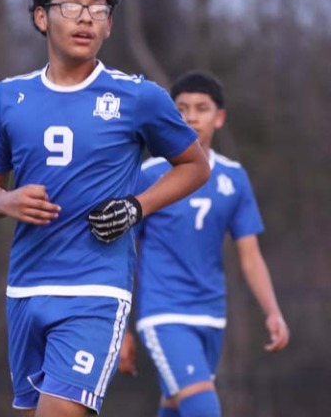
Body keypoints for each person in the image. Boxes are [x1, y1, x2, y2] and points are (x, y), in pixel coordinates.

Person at [0, 0, 210, 417]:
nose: (85, 18)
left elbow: (195, 166)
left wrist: (137, 207)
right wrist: (6, 201)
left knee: (60, 411)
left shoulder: (137, 97)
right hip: (26, 288)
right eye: (72, 6)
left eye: (98, 10)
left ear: (109, 25)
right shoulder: (7, 98)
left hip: (97, 289)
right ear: (41, 17)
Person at [121, 71, 290, 416]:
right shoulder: (149, 176)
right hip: (164, 312)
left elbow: (250, 257)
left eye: (202, 108)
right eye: (182, 109)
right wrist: (120, 328)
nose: (191, 117)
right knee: (202, 405)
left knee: (176, 404)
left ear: (219, 117)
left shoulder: (234, 178)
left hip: (212, 314)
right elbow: (123, 254)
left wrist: (272, 311)